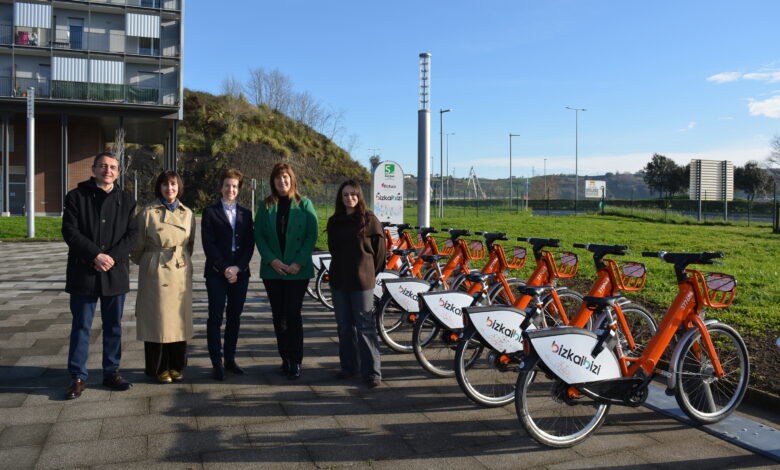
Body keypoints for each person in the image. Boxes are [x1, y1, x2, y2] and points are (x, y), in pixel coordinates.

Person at [62, 151, 138, 399]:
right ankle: (78, 376)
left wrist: (111, 257)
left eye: (113, 167)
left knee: (114, 327)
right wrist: (95, 255)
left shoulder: (127, 200)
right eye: (103, 166)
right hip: (84, 271)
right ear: (93, 169)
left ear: (118, 172)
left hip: (114, 273)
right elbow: (70, 231)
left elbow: (132, 235)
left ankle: (111, 371)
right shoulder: (76, 196)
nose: (108, 170)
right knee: (81, 326)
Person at [254, 162, 318, 380]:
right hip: (273, 271)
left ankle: (296, 360)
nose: (282, 181)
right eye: (278, 178)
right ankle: (285, 358)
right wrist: (272, 261)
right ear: (273, 181)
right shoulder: (265, 206)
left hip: (297, 271)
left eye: (286, 178)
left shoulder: (304, 204)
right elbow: (259, 236)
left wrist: (298, 262)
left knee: (293, 313)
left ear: (292, 180)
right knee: (278, 315)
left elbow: (311, 235)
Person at [131, 170, 195, 384]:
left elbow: (190, 244)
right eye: (166, 185)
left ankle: (177, 365)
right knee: (157, 320)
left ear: (179, 187)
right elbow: (137, 247)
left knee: (178, 319)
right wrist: (151, 262)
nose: (170, 189)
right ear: (159, 187)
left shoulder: (188, 213)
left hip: (179, 268)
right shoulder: (148, 212)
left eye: (174, 185)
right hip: (156, 270)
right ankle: (158, 367)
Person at [326, 180, 386, 388]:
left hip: (362, 282)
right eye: (345, 195)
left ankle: (372, 372)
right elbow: (333, 249)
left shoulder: (370, 220)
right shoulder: (334, 221)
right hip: (339, 281)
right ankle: (348, 367)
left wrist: (369, 273)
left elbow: (380, 254)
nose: (349, 198)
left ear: (359, 196)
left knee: (365, 326)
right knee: (344, 326)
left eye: (353, 194)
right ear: (340, 198)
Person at [201, 168, 255, 381]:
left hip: (240, 273)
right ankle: (216, 361)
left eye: (234, 186)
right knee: (215, 317)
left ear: (238, 189)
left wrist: (238, 268)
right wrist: (225, 268)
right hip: (216, 272)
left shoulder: (246, 214)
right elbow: (208, 244)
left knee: (235, 317)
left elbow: (250, 245)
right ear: (221, 187)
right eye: (227, 185)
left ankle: (230, 359)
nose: (230, 189)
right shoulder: (210, 212)